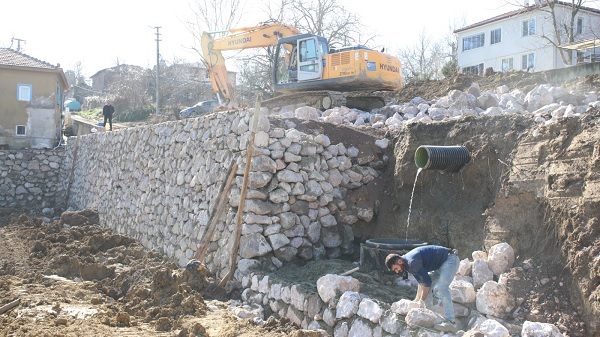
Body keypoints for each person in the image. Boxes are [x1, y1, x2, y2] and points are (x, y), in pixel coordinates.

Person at [385, 245, 459, 325]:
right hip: (439, 266)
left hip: (449, 260)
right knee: (426, 291)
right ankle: (431, 317)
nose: (397, 271)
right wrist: (416, 301)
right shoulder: (407, 265)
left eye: (396, 268)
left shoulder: (412, 262)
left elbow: (427, 283)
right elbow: (421, 283)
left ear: (399, 261)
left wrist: (421, 301)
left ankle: (451, 321)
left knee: (442, 288)